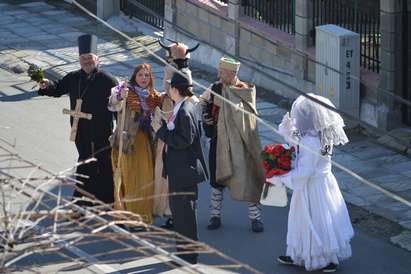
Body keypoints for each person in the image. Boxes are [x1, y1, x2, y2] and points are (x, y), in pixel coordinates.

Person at [272, 94, 354, 273]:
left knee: (315, 221)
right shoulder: (318, 135)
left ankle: (322, 258)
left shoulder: (311, 140)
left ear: (308, 118)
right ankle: (301, 255)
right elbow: (295, 142)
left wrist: (280, 179)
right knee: (318, 220)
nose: (297, 119)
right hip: (322, 185)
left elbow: (304, 172)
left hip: (312, 187)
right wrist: (286, 128)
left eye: (299, 115)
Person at [38, 34, 117, 206]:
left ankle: (105, 201)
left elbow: (118, 106)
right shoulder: (73, 77)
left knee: (103, 164)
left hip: (101, 131)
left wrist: (120, 131)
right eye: (83, 58)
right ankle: (84, 201)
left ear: (98, 59)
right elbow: (57, 88)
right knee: (85, 162)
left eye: (90, 58)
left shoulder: (108, 81)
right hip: (80, 131)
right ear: (79, 59)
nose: (86, 61)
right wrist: (46, 86)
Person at [200, 57, 265, 233]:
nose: (219, 75)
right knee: (216, 181)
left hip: (240, 143)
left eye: (222, 73)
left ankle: (255, 218)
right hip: (218, 141)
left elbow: (248, 117)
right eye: (219, 72)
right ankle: (215, 216)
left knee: (248, 178)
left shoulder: (244, 91)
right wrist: (206, 116)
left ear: (232, 73)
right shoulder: (214, 88)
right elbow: (203, 102)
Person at [152, 72, 207, 264]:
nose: (168, 90)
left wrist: (160, 131)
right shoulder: (183, 106)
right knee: (181, 214)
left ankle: (189, 255)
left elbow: (185, 139)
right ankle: (184, 253)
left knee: (184, 215)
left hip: (184, 171)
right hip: (181, 170)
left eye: (169, 87)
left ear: (176, 89)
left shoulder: (184, 110)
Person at [108, 64, 162, 225]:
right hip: (126, 142)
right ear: (134, 76)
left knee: (145, 180)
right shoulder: (124, 90)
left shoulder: (153, 96)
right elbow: (112, 104)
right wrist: (119, 97)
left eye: (147, 75)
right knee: (128, 179)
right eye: (140, 75)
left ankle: (143, 217)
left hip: (145, 144)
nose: (144, 78)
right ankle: (127, 217)